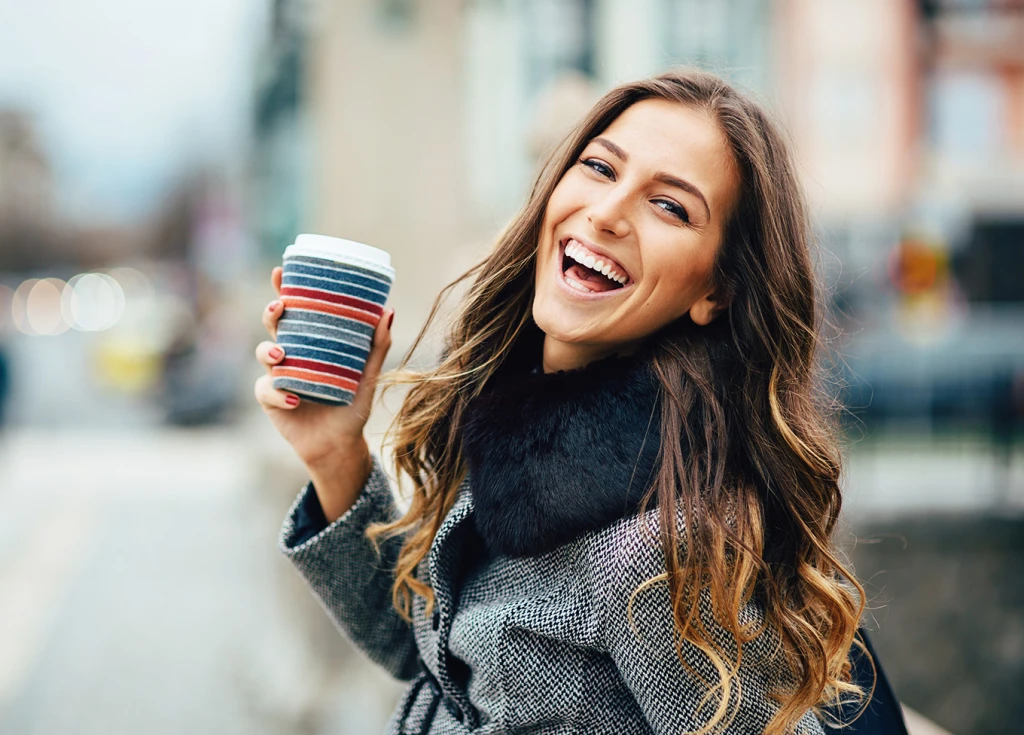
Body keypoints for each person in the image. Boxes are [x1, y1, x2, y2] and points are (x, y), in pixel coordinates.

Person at [254, 69, 908, 734]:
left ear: (716, 291)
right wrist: (336, 453)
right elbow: (434, 653)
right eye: (599, 167)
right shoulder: (506, 416)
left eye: (671, 206)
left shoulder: (658, 546)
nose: (606, 211)